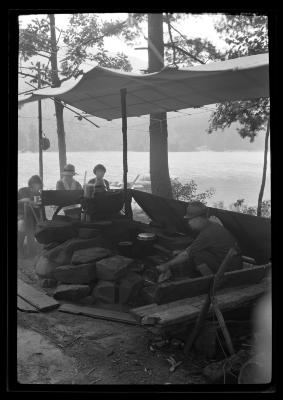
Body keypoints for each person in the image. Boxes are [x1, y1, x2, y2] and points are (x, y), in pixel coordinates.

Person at [156, 201, 243, 282]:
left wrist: (166, 265)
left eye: (190, 220)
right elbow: (193, 248)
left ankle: (210, 281)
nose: (189, 223)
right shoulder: (211, 226)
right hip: (229, 263)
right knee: (194, 253)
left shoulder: (208, 233)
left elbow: (187, 254)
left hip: (230, 270)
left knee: (196, 254)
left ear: (198, 219)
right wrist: (182, 253)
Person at [18, 175, 43, 257]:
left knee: (31, 223)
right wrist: (23, 200)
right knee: (23, 224)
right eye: (35, 184)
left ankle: (32, 250)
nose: (37, 186)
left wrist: (38, 206)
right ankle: (21, 249)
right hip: (21, 215)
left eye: (38, 184)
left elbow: (39, 208)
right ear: (31, 184)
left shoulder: (39, 194)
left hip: (34, 217)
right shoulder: (23, 191)